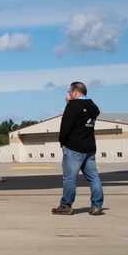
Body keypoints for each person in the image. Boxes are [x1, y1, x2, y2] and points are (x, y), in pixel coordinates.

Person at [53, 81, 103, 215]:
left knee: (70, 178)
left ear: (75, 92)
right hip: (89, 147)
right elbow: (83, 118)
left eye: (70, 92)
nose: (68, 94)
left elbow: (66, 125)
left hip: (74, 147)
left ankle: (66, 205)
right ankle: (97, 205)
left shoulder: (74, 106)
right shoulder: (93, 106)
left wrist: (63, 143)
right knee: (93, 177)